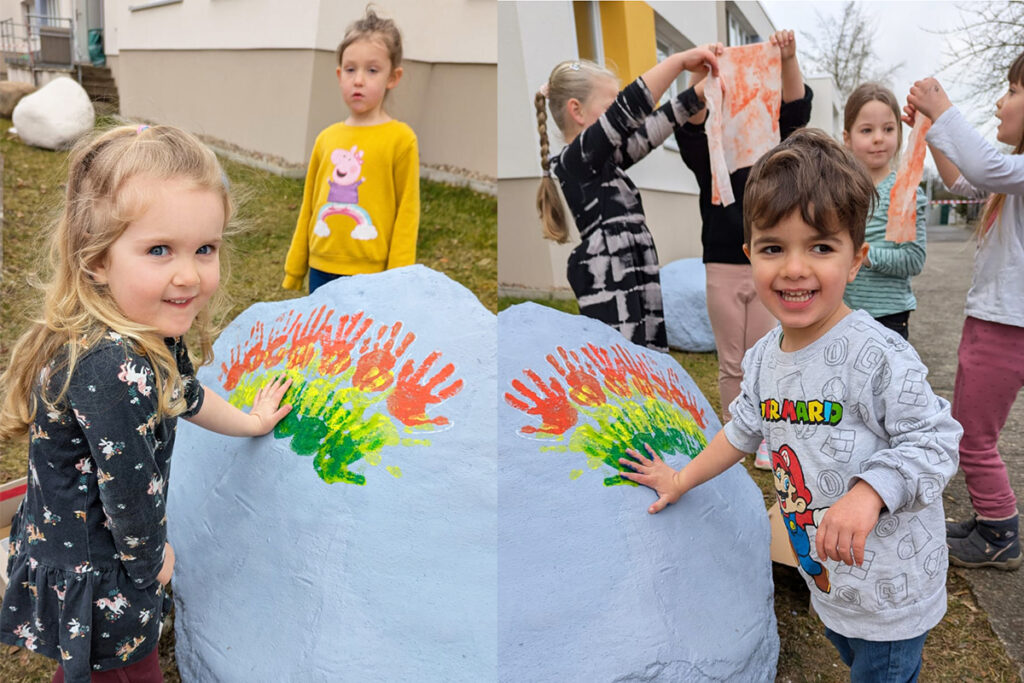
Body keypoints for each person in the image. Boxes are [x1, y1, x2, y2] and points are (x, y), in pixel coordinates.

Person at [620, 129, 962, 681]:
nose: (795, 268)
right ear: (750, 253)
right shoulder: (760, 360)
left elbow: (936, 438)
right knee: (848, 649)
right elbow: (741, 433)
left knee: (880, 669)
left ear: (856, 260)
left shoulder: (877, 354)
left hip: (891, 586)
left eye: (821, 247)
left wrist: (871, 491)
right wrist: (680, 480)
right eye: (774, 247)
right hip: (827, 577)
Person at [0, 125, 294, 682]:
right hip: (100, 564)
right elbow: (128, 494)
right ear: (97, 260)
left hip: (89, 548)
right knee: (128, 673)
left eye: (205, 248)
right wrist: (151, 562)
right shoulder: (111, 369)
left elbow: (184, 395)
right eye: (159, 250)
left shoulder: (145, 330)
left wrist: (252, 420)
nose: (189, 274)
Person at [904, 49, 1024, 570]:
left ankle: (999, 531)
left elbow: (982, 164)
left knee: (972, 435)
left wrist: (943, 105)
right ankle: (989, 519)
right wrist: (932, 129)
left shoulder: (1012, 169)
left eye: (1014, 91)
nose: (1001, 102)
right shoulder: (1012, 177)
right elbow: (961, 180)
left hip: (1005, 327)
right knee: (973, 428)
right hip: (995, 322)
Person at [534, 46, 720, 353]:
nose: (618, 117)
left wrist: (699, 91)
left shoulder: (605, 162)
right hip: (610, 282)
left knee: (645, 359)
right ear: (576, 111)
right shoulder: (575, 161)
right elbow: (629, 109)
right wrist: (676, 62)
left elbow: (651, 130)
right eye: (608, 108)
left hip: (633, 275)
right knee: (620, 365)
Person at [674, 32, 812, 445]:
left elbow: (796, 109)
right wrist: (701, 76)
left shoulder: (774, 149)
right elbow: (689, 122)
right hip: (721, 263)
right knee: (732, 362)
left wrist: (787, 58)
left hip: (767, 264)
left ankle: (772, 438)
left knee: (769, 358)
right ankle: (736, 437)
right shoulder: (708, 153)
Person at [282, 7, 419, 294]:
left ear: (393, 77)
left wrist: (398, 278)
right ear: (339, 74)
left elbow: (408, 213)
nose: (358, 80)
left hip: (372, 275)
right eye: (350, 69)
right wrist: (296, 267)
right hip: (321, 269)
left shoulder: (401, 139)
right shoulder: (326, 139)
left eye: (372, 70)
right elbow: (308, 206)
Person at [842, 83, 927, 340]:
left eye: (888, 129)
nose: (878, 138)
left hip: (890, 318)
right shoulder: (837, 191)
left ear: (899, 134)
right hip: (841, 314)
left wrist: (864, 256)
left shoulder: (906, 192)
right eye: (867, 130)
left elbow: (914, 259)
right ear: (847, 138)